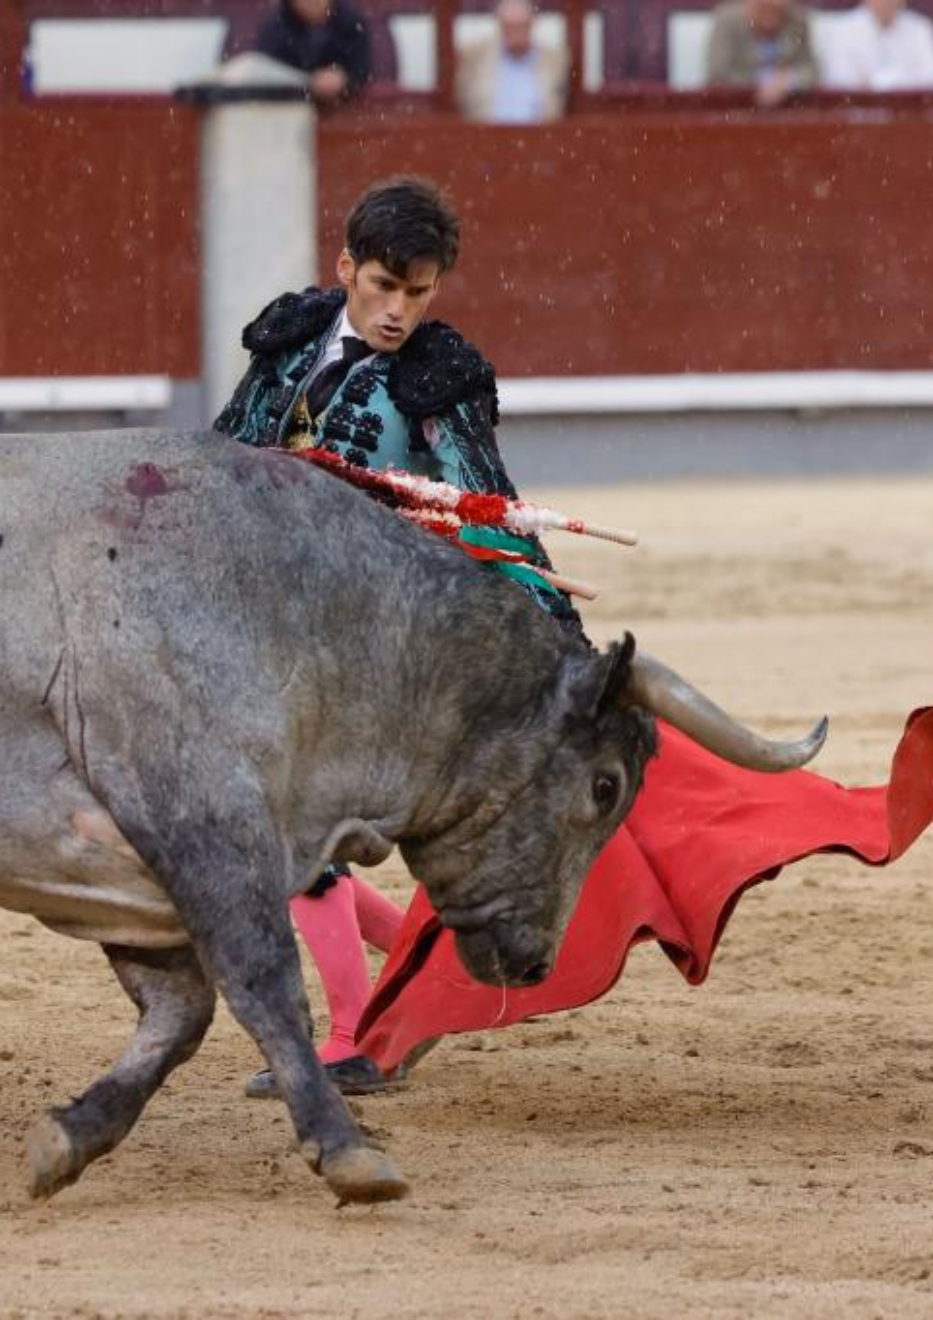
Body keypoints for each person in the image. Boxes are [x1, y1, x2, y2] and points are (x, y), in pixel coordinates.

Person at [213, 177, 583, 1096]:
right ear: (345, 269)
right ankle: (422, 965)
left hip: (375, 638)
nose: (399, 312)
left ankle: (358, 1034)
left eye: (420, 294)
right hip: (271, 615)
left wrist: (556, 632)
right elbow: (225, 450)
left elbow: (487, 505)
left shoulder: (439, 376)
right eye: (384, 286)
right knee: (290, 831)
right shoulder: (291, 337)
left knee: (299, 832)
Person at [456, 0, 568, 123]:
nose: (515, 33)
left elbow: (559, 106)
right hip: (488, 137)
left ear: (532, 25)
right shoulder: (475, 57)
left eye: (520, 26)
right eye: (508, 27)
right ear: (499, 26)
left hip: (541, 137)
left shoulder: (555, 60)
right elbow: (463, 102)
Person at [253, 0, 376, 105]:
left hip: (345, 113)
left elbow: (363, 68)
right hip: (288, 112)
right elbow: (267, 75)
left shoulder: (350, 22)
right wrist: (308, 84)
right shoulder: (275, 28)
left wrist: (345, 79)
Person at [704, 0, 821, 107]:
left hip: (787, 108)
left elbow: (812, 70)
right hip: (735, 108)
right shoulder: (727, 20)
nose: (770, 16)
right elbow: (717, 74)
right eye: (764, 8)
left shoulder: (798, 20)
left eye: (776, 11)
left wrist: (790, 80)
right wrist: (764, 81)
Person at [819, 0, 933, 90]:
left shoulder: (921, 28)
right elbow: (838, 81)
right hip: (860, 114)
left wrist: (885, 82)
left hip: (911, 113)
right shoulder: (843, 29)